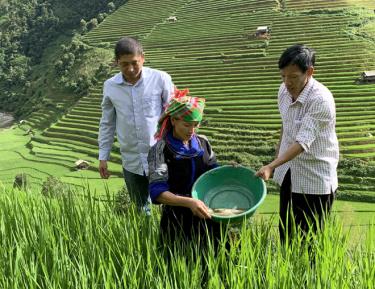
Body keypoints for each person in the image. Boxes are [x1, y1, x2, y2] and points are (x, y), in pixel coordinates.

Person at [256, 44, 339, 242]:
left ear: (309, 72)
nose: (287, 82)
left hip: (314, 180)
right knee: (287, 235)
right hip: (289, 174)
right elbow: (286, 127)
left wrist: (271, 166)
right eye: (283, 76)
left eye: (293, 77)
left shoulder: (321, 100)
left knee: (310, 242)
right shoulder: (283, 92)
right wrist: (277, 161)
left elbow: (302, 143)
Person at [98, 37, 174, 215]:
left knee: (170, 207)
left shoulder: (160, 79)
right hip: (131, 160)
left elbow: (174, 113)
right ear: (116, 62)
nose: (130, 69)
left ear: (143, 58)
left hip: (161, 156)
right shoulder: (110, 86)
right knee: (141, 210)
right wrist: (103, 156)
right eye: (124, 64)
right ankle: (145, 240)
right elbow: (107, 123)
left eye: (134, 63)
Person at [147, 88, 223, 248]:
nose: (192, 131)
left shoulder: (203, 142)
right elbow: (158, 192)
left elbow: (214, 173)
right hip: (177, 219)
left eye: (196, 125)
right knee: (179, 265)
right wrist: (189, 202)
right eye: (187, 125)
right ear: (173, 120)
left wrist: (228, 171)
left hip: (207, 214)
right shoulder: (160, 149)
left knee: (212, 262)